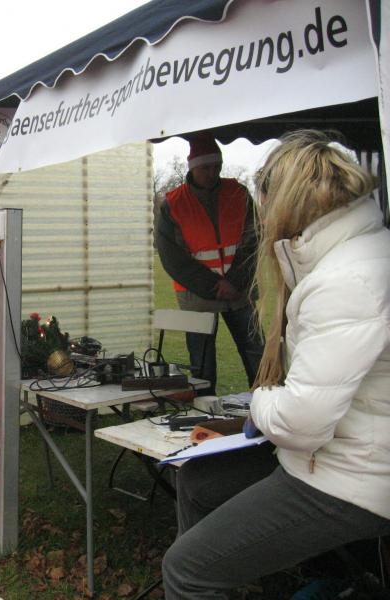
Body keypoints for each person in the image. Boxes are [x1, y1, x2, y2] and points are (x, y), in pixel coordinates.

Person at [162, 130, 390, 599]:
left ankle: (210, 576)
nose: (263, 217)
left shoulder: (346, 280)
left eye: (266, 205)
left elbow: (302, 423)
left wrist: (261, 400)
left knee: (186, 569)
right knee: (199, 480)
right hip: (330, 452)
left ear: (287, 202)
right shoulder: (347, 254)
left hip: (353, 475)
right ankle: (234, 573)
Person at [155, 133, 263, 394]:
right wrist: (215, 285)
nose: (212, 173)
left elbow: (253, 239)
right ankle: (204, 408)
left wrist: (235, 282)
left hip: (239, 292)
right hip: (198, 295)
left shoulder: (238, 193)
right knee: (202, 364)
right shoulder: (173, 204)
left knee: (257, 354)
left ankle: (267, 403)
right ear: (192, 167)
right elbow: (172, 257)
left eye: (217, 166)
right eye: (206, 168)